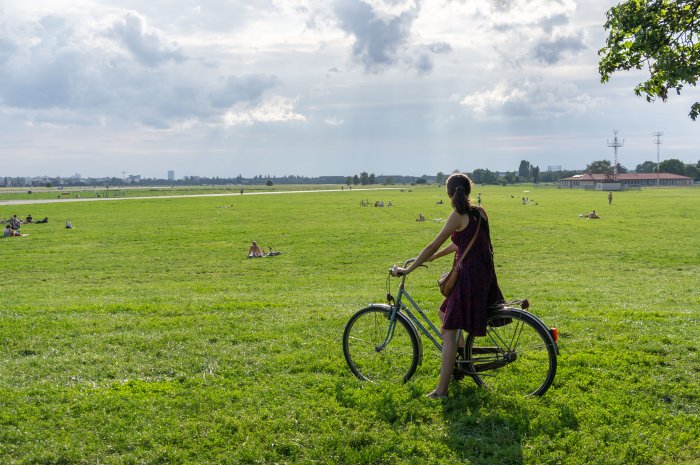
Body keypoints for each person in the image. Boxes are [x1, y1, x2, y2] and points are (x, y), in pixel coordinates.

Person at [392, 173, 504, 399]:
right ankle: (462, 359)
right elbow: (462, 244)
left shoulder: (458, 215)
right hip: (483, 274)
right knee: (444, 314)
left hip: (469, 277)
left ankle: (441, 391)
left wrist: (408, 268)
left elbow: (433, 244)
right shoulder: (479, 212)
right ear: (468, 191)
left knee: (449, 331)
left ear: (449, 194)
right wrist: (433, 258)